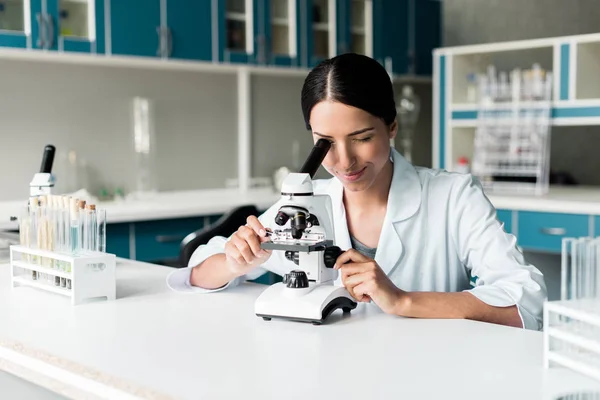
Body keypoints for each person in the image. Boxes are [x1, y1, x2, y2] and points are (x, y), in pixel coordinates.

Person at [167, 53, 547, 330]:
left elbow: (527, 302)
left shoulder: (453, 197)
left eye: (362, 138)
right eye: (324, 142)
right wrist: (235, 262)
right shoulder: (310, 201)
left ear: (392, 126)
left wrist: (402, 300)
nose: (345, 161)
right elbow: (196, 273)